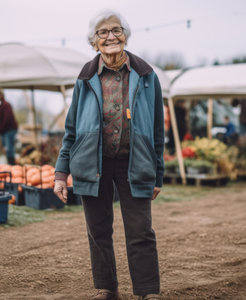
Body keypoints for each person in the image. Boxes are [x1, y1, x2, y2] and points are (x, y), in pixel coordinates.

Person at [53, 10, 163, 300]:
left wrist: (158, 174)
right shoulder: (85, 78)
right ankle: (107, 288)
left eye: (116, 30)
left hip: (134, 162)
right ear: (94, 41)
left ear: (125, 35)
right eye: (103, 32)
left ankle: (148, 291)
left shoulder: (146, 75)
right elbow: (72, 129)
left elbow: (156, 128)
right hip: (93, 163)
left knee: (141, 231)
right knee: (98, 231)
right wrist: (60, 174)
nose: (111, 36)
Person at [0, 91, 18, 165]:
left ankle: (12, 164)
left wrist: (1, 129)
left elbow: (7, 119)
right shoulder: (0, 106)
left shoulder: (6, 105)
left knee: (9, 148)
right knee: (6, 149)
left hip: (9, 130)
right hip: (4, 131)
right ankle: (10, 164)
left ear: (1, 95)